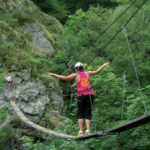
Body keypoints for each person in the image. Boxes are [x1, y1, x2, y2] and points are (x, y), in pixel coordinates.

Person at [47, 62, 109, 136]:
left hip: (81, 95)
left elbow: (65, 78)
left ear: (76, 69)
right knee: (88, 113)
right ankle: (88, 131)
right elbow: (97, 71)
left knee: (80, 113)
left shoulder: (75, 75)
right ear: (82, 68)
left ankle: (81, 131)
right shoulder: (87, 73)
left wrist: (54, 74)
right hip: (90, 94)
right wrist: (103, 65)